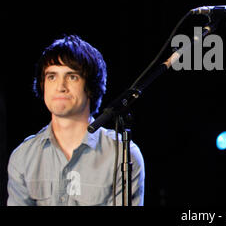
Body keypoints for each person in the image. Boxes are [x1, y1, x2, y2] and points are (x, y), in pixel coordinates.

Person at [7, 35, 145, 206]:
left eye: (72, 77)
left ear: (91, 87)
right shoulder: (23, 156)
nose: (60, 87)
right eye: (52, 77)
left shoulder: (123, 154)